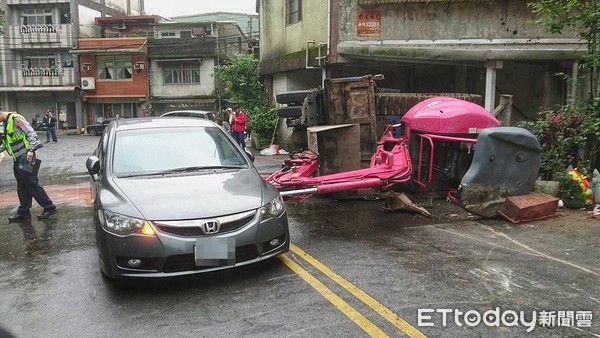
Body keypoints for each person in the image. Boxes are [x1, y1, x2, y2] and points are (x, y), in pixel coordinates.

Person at [0, 108, 58, 222]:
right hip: (17, 158)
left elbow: (31, 133)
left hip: (26, 156)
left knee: (32, 183)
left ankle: (49, 207)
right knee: (22, 185)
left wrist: (31, 150)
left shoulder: (16, 119)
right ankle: (24, 212)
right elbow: (7, 144)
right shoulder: (5, 124)